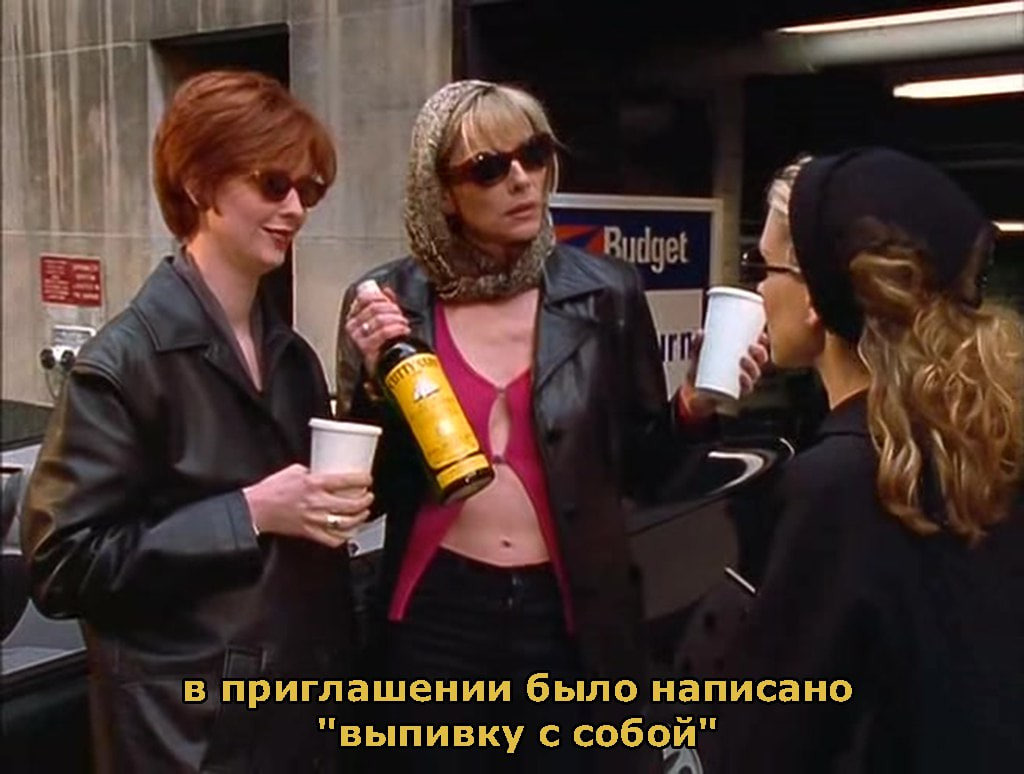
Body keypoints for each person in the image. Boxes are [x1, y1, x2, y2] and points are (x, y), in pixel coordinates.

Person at [334, 79, 767, 773]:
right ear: (442, 193)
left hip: (570, 613)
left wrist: (694, 404)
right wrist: (370, 380)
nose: (521, 180)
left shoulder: (605, 292)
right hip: (437, 612)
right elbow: (367, 492)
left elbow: (646, 473)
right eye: (488, 168)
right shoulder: (391, 303)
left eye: (534, 154)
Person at [20, 70, 372, 773]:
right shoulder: (124, 363)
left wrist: (368, 389)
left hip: (301, 722)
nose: (295, 208)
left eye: (309, 191)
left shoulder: (291, 356)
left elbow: (317, 520)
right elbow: (64, 566)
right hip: (188, 740)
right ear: (199, 183)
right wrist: (248, 513)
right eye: (273, 183)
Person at [701, 148, 1024, 773]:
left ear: (816, 299)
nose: (758, 288)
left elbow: (772, 737)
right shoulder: (990, 441)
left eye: (762, 266)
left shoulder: (836, 484)